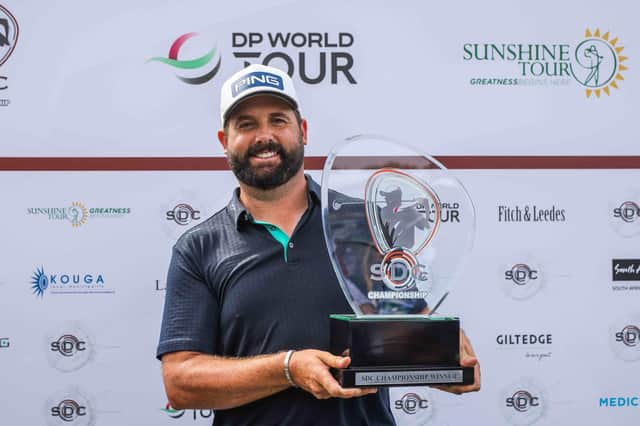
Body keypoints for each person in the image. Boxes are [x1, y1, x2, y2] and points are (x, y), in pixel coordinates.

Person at [157, 64, 481, 426]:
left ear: (303, 131)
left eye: (278, 120)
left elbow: (408, 326)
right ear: (223, 141)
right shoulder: (199, 247)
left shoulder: (364, 223)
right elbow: (181, 382)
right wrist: (288, 369)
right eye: (246, 125)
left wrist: (444, 354)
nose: (264, 135)